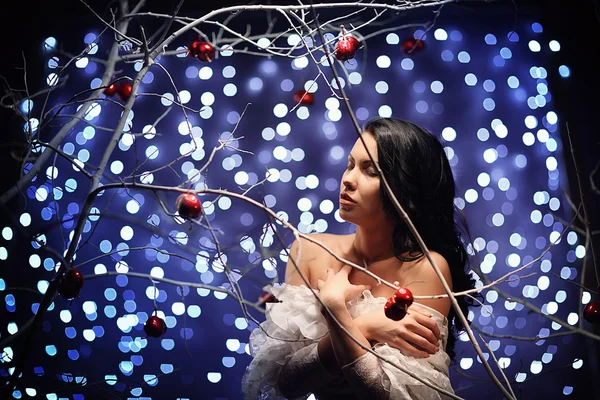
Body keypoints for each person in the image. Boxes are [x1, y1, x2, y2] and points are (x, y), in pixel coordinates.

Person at [242, 117, 477, 399]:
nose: (348, 180)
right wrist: (364, 326)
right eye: (350, 164)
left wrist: (336, 313)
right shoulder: (308, 250)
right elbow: (287, 384)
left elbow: (384, 395)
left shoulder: (427, 269)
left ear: (405, 186)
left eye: (370, 171)